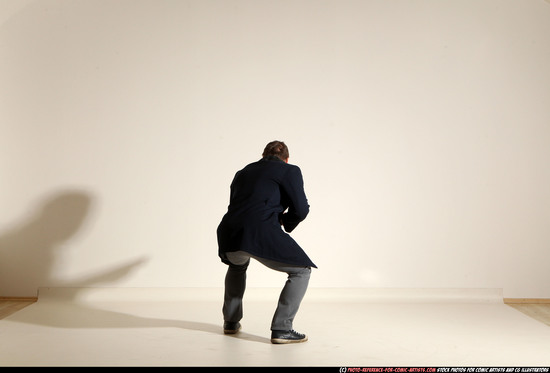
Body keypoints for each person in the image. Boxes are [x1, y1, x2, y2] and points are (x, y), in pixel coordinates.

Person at [217, 140, 316, 344]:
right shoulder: (290, 170)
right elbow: (301, 209)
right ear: (287, 159)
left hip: (229, 230)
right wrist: (284, 221)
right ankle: (282, 329)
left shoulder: (242, 172)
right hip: (259, 229)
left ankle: (230, 322)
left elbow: (239, 204)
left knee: (237, 266)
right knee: (302, 270)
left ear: (262, 155)